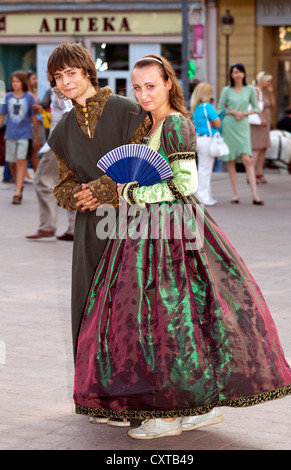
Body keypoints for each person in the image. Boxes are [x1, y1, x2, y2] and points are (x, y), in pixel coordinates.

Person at [73, 54, 291, 440]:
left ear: (169, 85)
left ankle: (170, 410)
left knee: (166, 320)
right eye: (137, 87)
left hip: (169, 235)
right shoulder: (150, 124)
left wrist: (130, 192)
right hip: (148, 231)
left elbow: (185, 184)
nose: (143, 94)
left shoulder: (175, 123)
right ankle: (195, 408)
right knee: (171, 321)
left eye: (151, 86)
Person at [46, 43, 150, 426]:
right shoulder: (61, 131)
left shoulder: (128, 110)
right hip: (90, 229)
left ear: (88, 72)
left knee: (129, 308)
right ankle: (102, 398)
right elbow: (62, 184)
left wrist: (105, 188)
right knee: (91, 309)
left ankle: (133, 397)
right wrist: (77, 195)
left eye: (71, 73)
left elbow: (146, 162)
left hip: (132, 223)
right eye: (58, 77)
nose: (65, 82)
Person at [26, 87, 76, 241]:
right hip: (68, 144)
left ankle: (47, 226)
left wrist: (60, 140)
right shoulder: (66, 87)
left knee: (41, 181)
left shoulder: (60, 88)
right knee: (71, 183)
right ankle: (74, 229)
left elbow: (69, 112)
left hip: (57, 144)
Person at [217, 63, 264, 205]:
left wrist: (244, 113)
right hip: (230, 126)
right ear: (231, 75)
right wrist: (233, 112)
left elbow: (256, 108)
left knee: (247, 159)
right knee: (231, 160)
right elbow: (219, 110)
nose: (238, 75)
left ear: (244, 74)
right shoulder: (226, 90)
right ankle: (236, 194)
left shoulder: (250, 89)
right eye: (235, 72)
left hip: (243, 126)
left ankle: (255, 195)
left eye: (240, 72)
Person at [0, 70, 40, 204]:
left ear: (22, 82)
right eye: (13, 81)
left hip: (25, 135)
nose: (15, 84)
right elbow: (2, 115)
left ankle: (17, 192)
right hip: (10, 134)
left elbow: (33, 117)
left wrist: (37, 137)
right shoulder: (7, 97)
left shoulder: (29, 97)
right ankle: (19, 184)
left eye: (17, 81)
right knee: (11, 163)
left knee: (21, 160)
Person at [190, 82, 221, 206]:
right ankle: (203, 197)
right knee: (205, 169)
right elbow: (217, 123)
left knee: (202, 169)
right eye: (210, 93)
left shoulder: (196, 107)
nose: (211, 95)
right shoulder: (207, 106)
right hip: (207, 139)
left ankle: (204, 195)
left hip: (198, 139)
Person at [250, 71, 275, 184]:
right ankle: (251, 174)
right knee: (257, 148)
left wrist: (271, 93)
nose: (269, 83)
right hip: (259, 123)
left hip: (264, 124)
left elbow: (273, 105)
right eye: (267, 80)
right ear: (262, 80)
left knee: (263, 148)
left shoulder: (264, 92)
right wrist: (262, 119)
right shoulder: (256, 91)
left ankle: (259, 173)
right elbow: (255, 107)